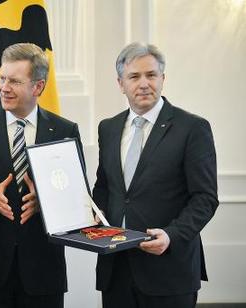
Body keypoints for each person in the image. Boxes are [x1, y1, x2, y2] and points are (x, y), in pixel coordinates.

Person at [0, 43, 82, 308]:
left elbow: (79, 198)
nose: (3, 87)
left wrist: (46, 202)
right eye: (2, 78)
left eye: (14, 81)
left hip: (43, 273)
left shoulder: (64, 131)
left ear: (38, 87)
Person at [92, 42, 218, 308]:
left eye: (151, 75)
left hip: (169, 268)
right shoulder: (108, 128)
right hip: (116, 268)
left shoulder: (192, 128)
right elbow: (104, 187)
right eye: (134, 76)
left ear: (163, 79)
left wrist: (171, 235)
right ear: (120, 83)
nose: (144, 84)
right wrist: (96, 215)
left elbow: (205, 198)